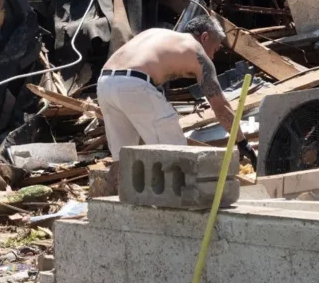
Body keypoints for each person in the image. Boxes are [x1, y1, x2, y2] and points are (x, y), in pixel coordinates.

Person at [95, 15, 256, 191]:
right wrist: (242, 142)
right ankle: (176, 213)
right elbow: (220, 107)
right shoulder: (197, 52)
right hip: (135, 85)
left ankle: (106, 209)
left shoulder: (156, 35)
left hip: (105, 82)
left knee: (123, 159)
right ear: (204, 37)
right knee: (175, 156)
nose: (212, 56)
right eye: (215, 49)